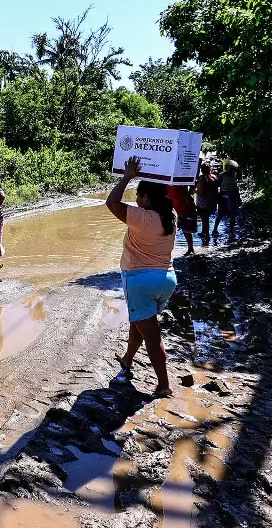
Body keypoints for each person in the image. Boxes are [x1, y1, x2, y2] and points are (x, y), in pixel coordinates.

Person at [106, 156, 178, 399]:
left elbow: (112, 202)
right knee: (139, 320)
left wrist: (127, 176)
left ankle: (163, 385)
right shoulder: (170, 216)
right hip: (166, 279)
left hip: (140, 281)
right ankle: (127, 360)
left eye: (139, 196)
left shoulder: (143, 217)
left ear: (146, 198)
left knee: (152, 334)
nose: (136, 201)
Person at [214, 159, 241, 240]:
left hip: (232, 196)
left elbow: (236, 188)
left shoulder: (234, 176)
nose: (233, 170)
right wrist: (215, 198)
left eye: (234, 169)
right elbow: (216, 186)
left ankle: (231, 231)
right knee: (220, 214)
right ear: (227, 167)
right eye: (231, 168)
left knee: (233, 215)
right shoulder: (221, 175)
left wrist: (239, 199)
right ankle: (215, 229)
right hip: (223, 196)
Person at [167, 183, 197, 256]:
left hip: (183, 208)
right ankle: (168, 250)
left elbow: (194, 183)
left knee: (186, 231)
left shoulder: (181, 181)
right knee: (170, 230)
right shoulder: (168, 182)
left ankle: (190, 248)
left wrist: (190, 192)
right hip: (174, 208)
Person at [194, 162, 220, 243]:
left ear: (202, 170)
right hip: (212, 202)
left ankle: (206, 237)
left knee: (205, 220)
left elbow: (201, 192)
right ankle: (204, 233)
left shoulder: (203, 179)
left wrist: (194, 190)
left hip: (203, 203)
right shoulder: (214, 177)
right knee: (206, 219)